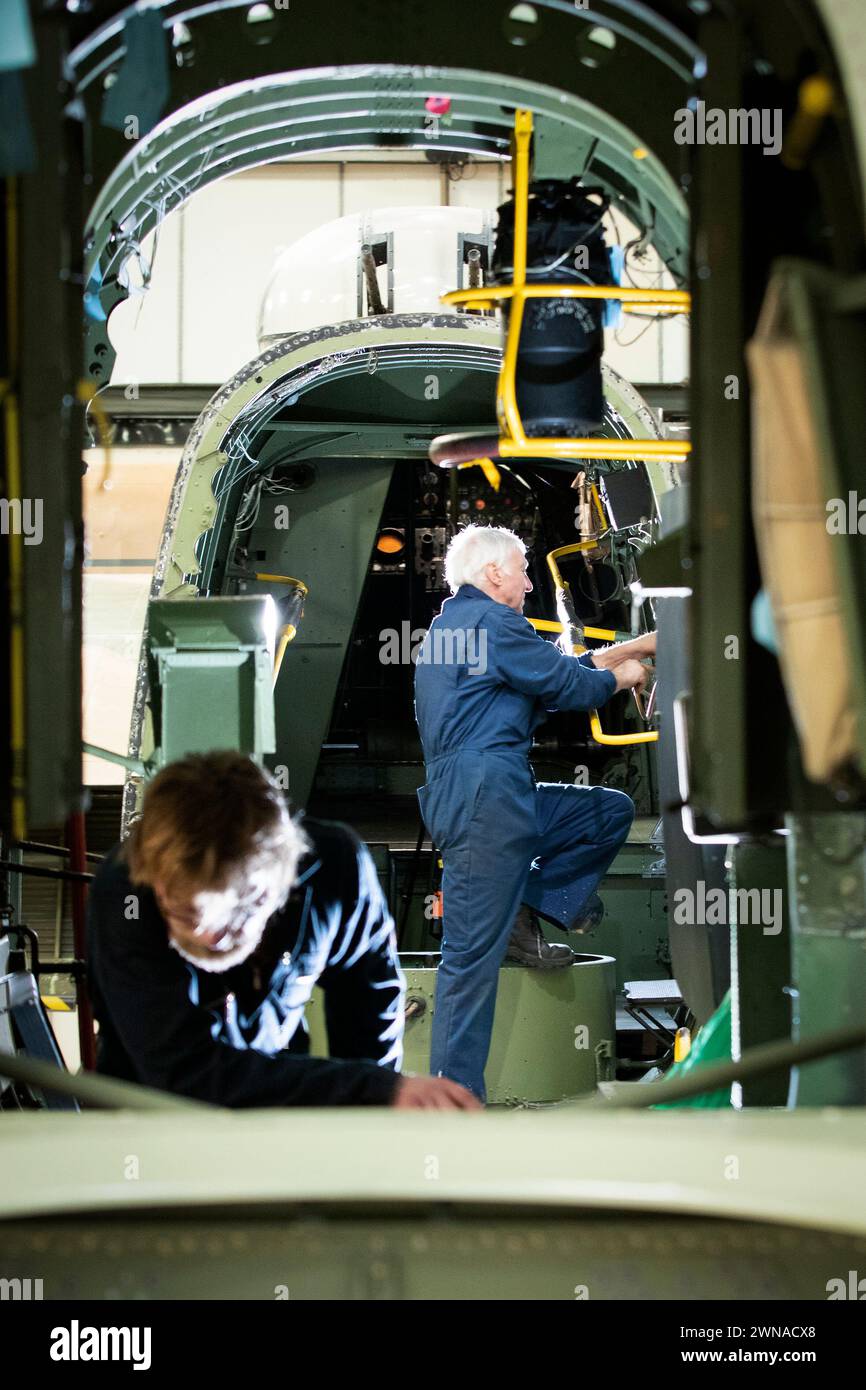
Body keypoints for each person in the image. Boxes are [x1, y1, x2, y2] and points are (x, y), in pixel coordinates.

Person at [86, 751, 478, 1109]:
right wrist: (375, 1089)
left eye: (238, 912)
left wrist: (373, 1119)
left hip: (276, 1114)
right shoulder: (126, 893)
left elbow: (370, 1009)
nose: (210, 936)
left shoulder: (335, 870)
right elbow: (184, 1072)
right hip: (144, 1121)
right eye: (186, 914)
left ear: (284, 874)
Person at [414, 523, 653, 1101]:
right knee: (470, 961)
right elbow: (569, 686)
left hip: (488, 793)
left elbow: (546, 674)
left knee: (604, 814)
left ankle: (527, 904)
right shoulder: (494, 622)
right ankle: (453, 1097)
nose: (527, 581)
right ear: (495, 573)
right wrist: (622, 676)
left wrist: (639, 646)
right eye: (521, 569)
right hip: (487, 796)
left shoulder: (452, 628)